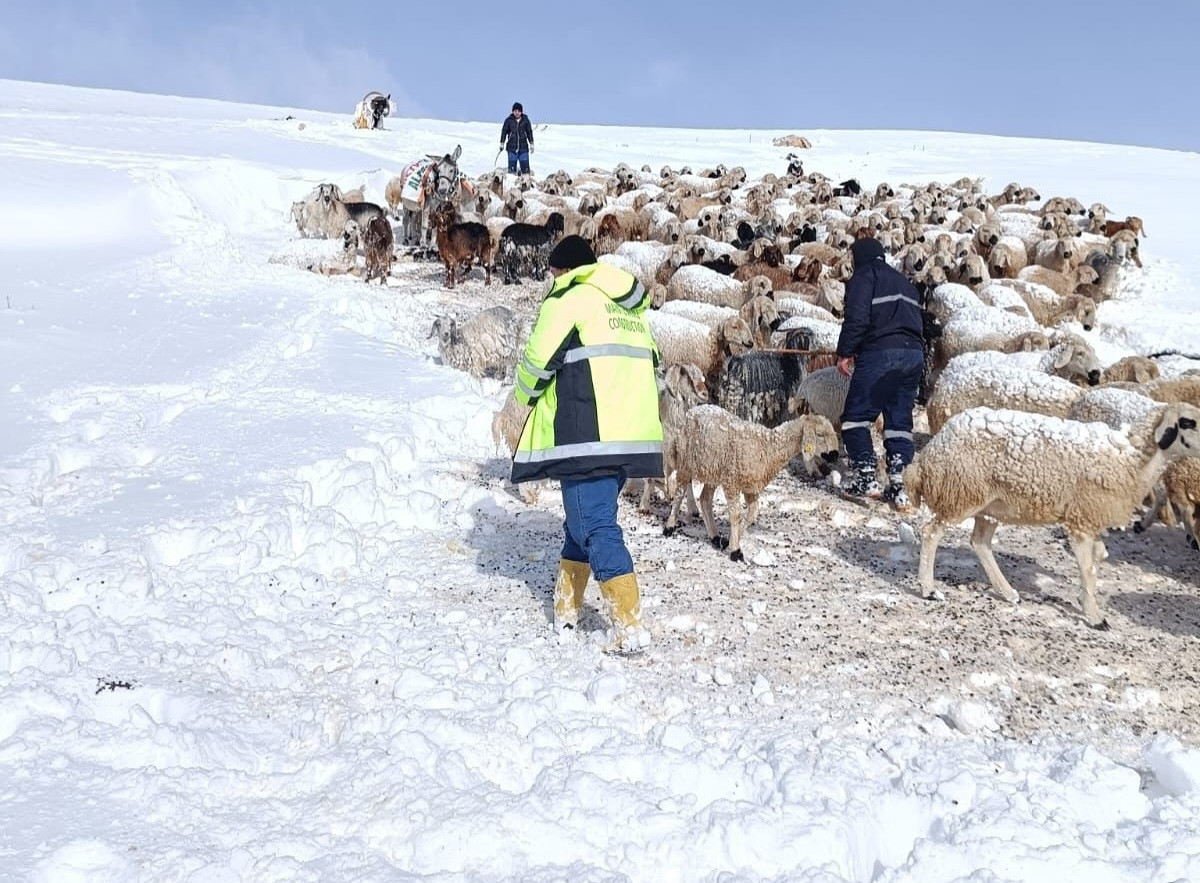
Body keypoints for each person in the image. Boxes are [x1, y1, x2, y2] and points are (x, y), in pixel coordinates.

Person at [509, 235, 663, 652]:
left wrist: (520, 399)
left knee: (594, 526)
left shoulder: (569, 300)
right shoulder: (628, 308)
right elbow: (657, 367)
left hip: (587, 432)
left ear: (562, 270)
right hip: (628, 435)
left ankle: (629, 626)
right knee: (581, 522)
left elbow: (538, 362)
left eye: (553, 273)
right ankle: (566, 610)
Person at [835, 236, 925, 510]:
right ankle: (899, 482)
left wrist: (845, 352)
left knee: (856, 417)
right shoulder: (904, 282)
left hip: (881, 353)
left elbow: (858, 318)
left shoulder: (865, 277)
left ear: (859, 257)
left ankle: (866, 476)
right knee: (899, 420)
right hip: (913, 355)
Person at [500, 102, 534, 175]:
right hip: (511, 148)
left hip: (523, 148)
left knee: (525, 169)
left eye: (519, 111)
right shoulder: (508, 120)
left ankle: (525, 183)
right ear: (513, 111)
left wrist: (531, 143)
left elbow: (529, 132)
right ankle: (512, 183)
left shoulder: (525, 120)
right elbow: (504, 131)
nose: (517, 113)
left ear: (521, 112)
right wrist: (502, 143)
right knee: (512, 170)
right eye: (515, 111)